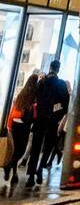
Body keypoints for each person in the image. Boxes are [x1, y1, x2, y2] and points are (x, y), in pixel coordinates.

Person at [25, 60, 69, 189]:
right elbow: (66, 105)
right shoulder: (61, 84)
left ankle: (31, 176)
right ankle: (40, 168)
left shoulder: (41, 82)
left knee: (35, 148)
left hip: (40, 119)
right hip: (53, 120)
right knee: (48, 146)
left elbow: (34, 99)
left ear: (50, 68)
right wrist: (58, 115)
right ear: (58, 69)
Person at [2, 73, 40, 190]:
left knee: (15, 149)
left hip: (15, 125)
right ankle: (9, 166)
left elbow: (14, 109)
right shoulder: (34, 95)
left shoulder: (22, 93)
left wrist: (8, 125)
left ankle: (14, 174)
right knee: (21, 150)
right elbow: (33, 114)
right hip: (24, 126)